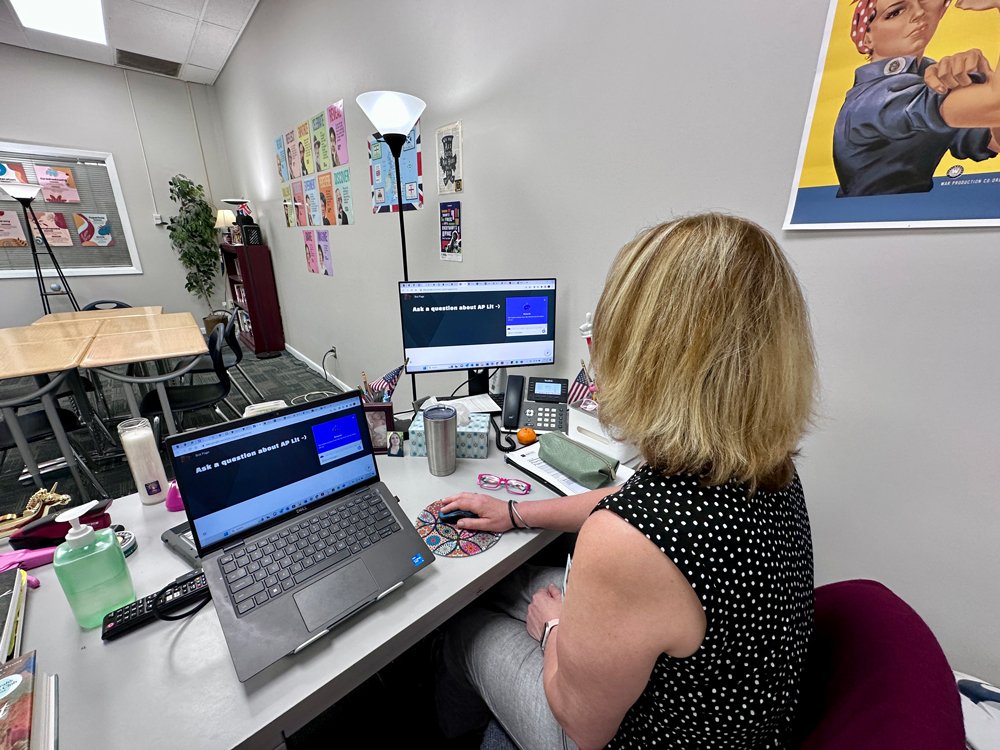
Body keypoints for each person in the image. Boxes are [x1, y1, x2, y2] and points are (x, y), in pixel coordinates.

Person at [436, 213, 818, 750]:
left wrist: (554, 630)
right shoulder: (766, 468)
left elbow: (582, 725)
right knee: (512, 583)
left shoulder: (631, 541)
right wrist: (516, 514)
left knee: (464, 630)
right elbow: (628, 502)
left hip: (617, 737)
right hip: (740, 715)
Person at [834, 0, 1000, 196]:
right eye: (895, 13)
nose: (920, 13)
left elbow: (995, 139)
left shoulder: (926, 78)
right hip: (877, 218)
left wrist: (987, 79)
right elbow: (995, 105)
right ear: (867, 38)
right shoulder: (874, 99)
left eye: (922, 2)